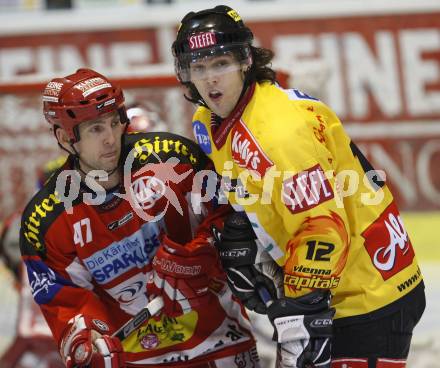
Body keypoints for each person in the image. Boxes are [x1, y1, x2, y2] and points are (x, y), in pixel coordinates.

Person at [172, 5, 426, 368]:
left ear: (246, 61)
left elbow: (323, 228)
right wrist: (237, 238)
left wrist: (300, 310)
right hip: (340, 285)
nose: (210, 78)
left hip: (369, 292)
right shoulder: (210, 121)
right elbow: (246, 194)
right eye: (199, 67)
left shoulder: (279, 130)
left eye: (220, 64)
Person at [19, 68, 260, 367]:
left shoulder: (173, 158)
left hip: (220, 341)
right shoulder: (44, 220)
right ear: (65, 138)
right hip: (137, 359)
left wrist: (200, 255)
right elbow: (66, 301)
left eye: (113, 123)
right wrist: (89, 339)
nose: (110, 139)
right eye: (95, 129)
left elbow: (232, 219)